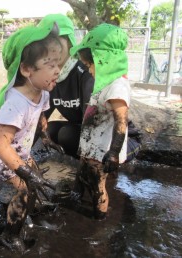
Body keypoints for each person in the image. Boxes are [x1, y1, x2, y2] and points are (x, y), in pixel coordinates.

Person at [0, 23, 62, 252]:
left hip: (14, 147)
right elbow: (0, 145)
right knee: (26, 186)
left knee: (35, 174)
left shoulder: (40, 91)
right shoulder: (15, 103)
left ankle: (23, 209)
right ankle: (10, 236)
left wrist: (46, 136)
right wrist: (27, 174)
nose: (57, 70)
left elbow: (40, 118)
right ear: (26, 69)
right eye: (50, 65)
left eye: (58, 63)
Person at [70, 23, 134, 220]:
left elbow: (121, 122)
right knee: (81, 175)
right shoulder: (104, 83)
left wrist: (113, 153)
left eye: (90, 65)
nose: (88, 70)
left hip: (102, 151)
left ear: (105, 60)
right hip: (90, 146)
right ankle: (75, 196)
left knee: (98, 186)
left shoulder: (118, 88)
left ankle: (99, 219)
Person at [34, 14, 94, 158]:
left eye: (56, 42)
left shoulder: (84, 71)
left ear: (69, 41)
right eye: (45, 44)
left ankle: (88, 165)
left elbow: (92, 123)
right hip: (77, 127)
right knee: (50, 130)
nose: (51, 49)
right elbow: (39, 118)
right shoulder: (49, 74)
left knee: (66, 134)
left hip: (101, 131)